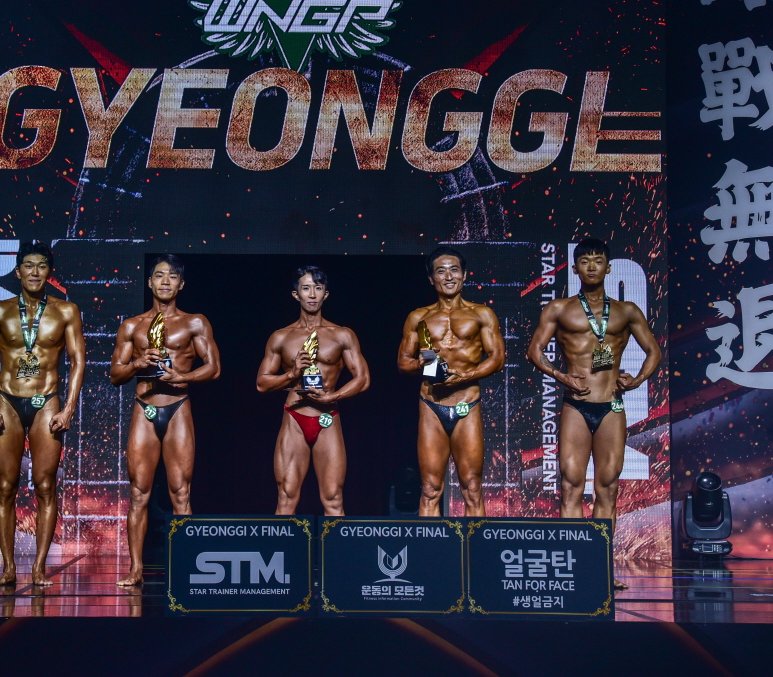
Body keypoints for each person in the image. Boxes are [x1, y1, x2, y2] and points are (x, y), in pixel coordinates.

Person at [526, 237, 661, 589]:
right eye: (584, 261)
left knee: (607, 488)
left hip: (611, 405)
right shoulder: (559, 309)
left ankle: (600, 570)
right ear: (575, 268)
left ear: (608, 267)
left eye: (597, 260)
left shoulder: (627, 311)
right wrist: (560, 376)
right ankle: (574, 567)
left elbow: (654, 351)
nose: (591, 266)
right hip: (575, 404)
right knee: (570, 484)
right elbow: (534, 351)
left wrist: (636, 381)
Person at [0, 241, 86, 587]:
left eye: (41, 266)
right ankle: (8, 568)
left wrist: (68, 408)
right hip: (7, 400)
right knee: (6, 487)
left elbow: (78, 361)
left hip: (46, 401)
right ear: (18, 271)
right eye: (28, 266)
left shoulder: (66, 311)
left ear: (49, 272)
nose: (35, 272)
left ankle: (38, 568)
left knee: (45, 484)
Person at [110, 255, 220, 587]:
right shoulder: (132, 326)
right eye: (159, 276)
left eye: (172, 277)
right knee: (138, 492)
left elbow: (213, 368)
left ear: (181, 284)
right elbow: (115, 374)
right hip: (144, 408)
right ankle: (136, 569)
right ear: (149, 282)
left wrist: (182, 376)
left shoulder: (194, 323)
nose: (165, 282)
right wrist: (138, 363)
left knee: (181, 492)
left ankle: (184, 567)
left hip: (177, 407)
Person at [396, 246, 504, 517]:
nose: (448, 276)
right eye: (441, 271)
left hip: (467, 402)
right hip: (431, 404)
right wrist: (419, 364)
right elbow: (403, 363)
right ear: (431, 278)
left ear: (464, 275)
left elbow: (497, 358)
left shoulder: (482, 314)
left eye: (454, 270)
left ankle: (473, 545)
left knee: (472, 487)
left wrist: (468, 375)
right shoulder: (418, 317)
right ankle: (429, 546)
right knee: (430, 488)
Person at [257, 266, 371, 515]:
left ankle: (336, 544)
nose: (312, 294)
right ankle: (283, 543)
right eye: (306, 288)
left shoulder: (342, 335)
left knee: (333, 498)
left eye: (317, 288)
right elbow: (261, 383)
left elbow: (363, 379)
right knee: (286, 496)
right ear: (296, 294)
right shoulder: (281, 337)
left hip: (327, 416)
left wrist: (333, 395)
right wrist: (291, 374)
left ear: (325, 294)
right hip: (294, 416)